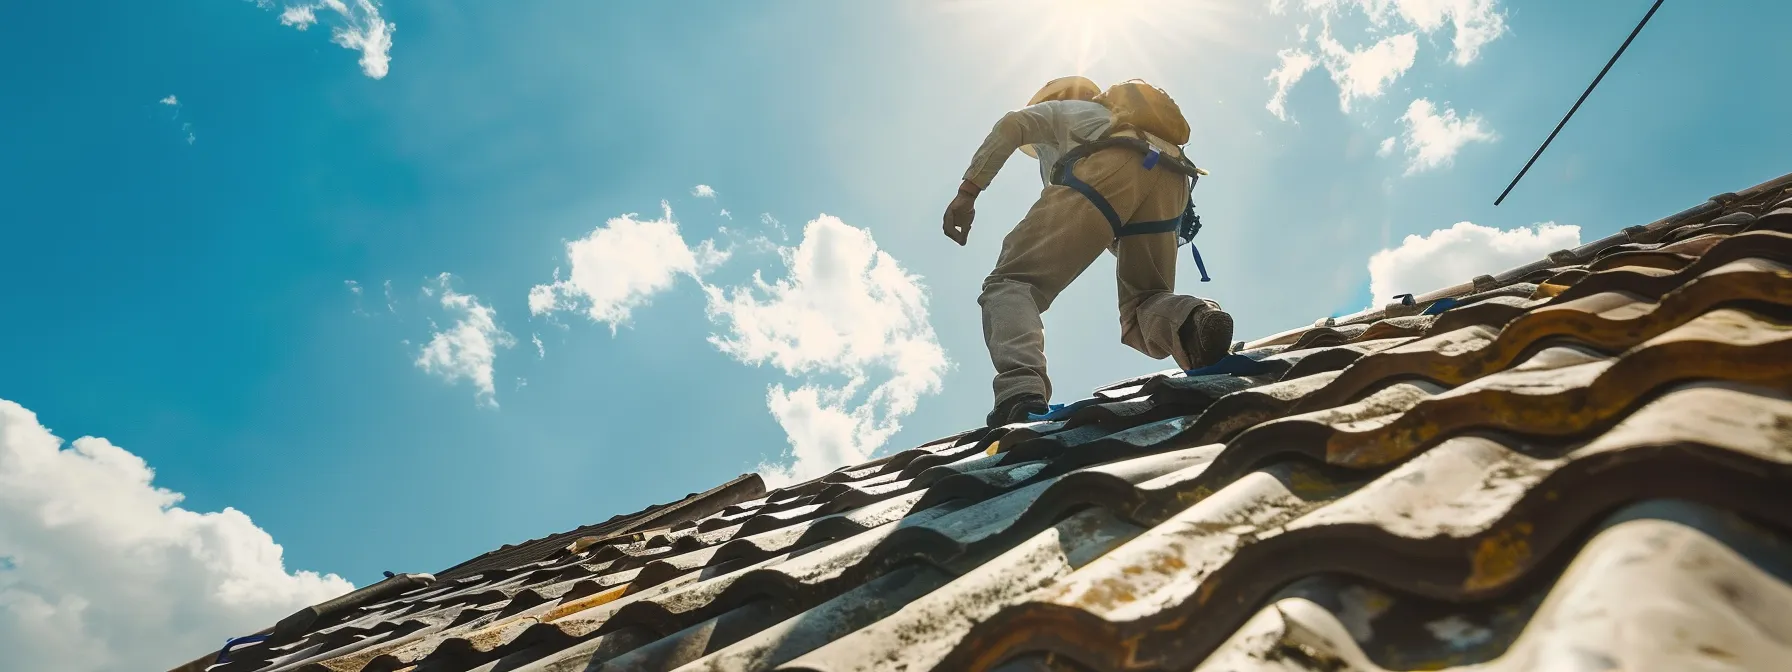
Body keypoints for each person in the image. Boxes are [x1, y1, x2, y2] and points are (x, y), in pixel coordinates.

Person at [944, 76, 1235, 426]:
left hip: (1108, 166)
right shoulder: (1122, 118)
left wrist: (968, 192)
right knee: (1146, 301)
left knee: (1011, 283)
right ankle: (1195, 321)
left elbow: (1013, 123)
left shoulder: (1065, 110)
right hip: (1171, 177)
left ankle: (1020, 394)